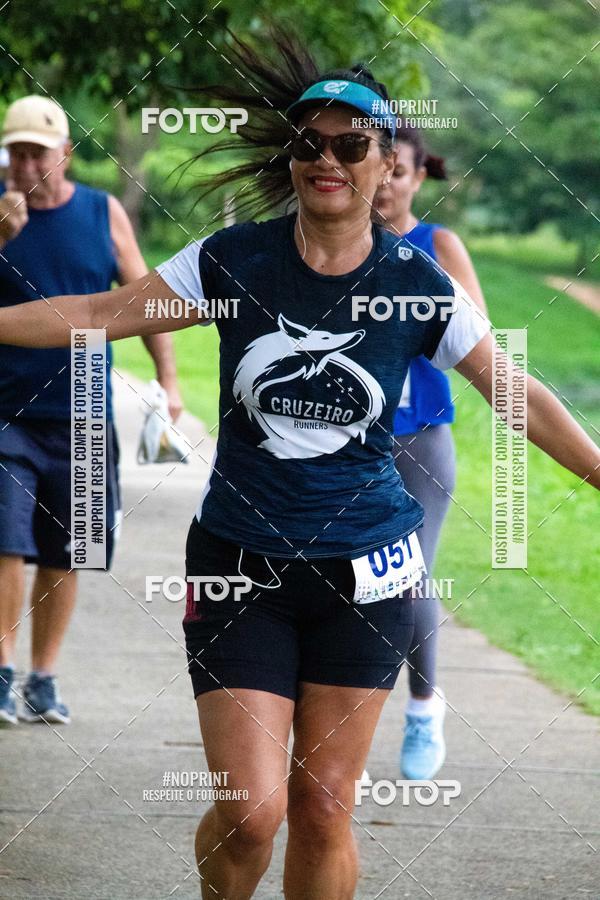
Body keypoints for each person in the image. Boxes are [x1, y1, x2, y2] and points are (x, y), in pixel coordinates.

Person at [0, 35, 598, 900]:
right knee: (251, 813)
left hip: (370, 572)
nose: (328, 159)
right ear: (291, 158)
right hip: (240, 567)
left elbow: (520, 394)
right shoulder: (232, 260)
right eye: (309, 143)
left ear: (385, 163)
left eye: (351, 145)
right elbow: (97, 311)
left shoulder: (417, 282)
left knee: (322, 805)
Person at [0, 95, 182, 726]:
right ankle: (2, 672)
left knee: (68, 551)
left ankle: (43, 679)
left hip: (81, 409)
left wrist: (168, 380)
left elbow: (144, 298)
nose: (26, 165)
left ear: (66, 155)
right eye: (16, 153)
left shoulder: (102, 213)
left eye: (37, 153)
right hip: (6, 410)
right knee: (4, 538)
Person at [372, 125, 487, 780]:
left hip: (419, 438)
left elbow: (477, 333)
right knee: (333, 582)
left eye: (400, 172)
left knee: (409, 577)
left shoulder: (437, 244)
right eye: (380, 169)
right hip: (341, 442)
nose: (386, 183)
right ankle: (330, 734)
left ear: (418, 178)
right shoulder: (335, 243)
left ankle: (423, 707)